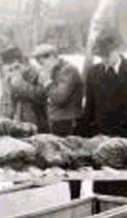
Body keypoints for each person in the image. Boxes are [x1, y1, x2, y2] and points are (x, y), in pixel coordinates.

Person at [84, 27, 127, 198]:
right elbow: (89, 109)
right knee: (102, 191)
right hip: (101, 141)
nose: (105, 60)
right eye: (101, 56)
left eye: (107, 56)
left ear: (117, 50)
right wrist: (84, 140)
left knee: (126, 190)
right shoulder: (93, 73)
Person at [32, 43, 83, 199]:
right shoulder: (54, 71)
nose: (41, 66)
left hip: (68, 122)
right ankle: (67, 196)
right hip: (57, 121)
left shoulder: (68, 70)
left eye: (42, 62)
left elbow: (60, 97)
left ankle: (74, 197)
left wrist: (47, 82)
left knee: (70, 162)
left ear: (53, 57)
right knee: (60, 161)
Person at [0, 46, 48, 133]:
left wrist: (20, 85)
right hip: (16, 123)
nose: (12, 69)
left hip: (37, 123)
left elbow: (42, 95)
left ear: (22, 62)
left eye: (15, 65)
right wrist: (2, 122)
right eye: (8, 65)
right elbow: (5, 102)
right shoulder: (8, 78)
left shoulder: (37, 74)